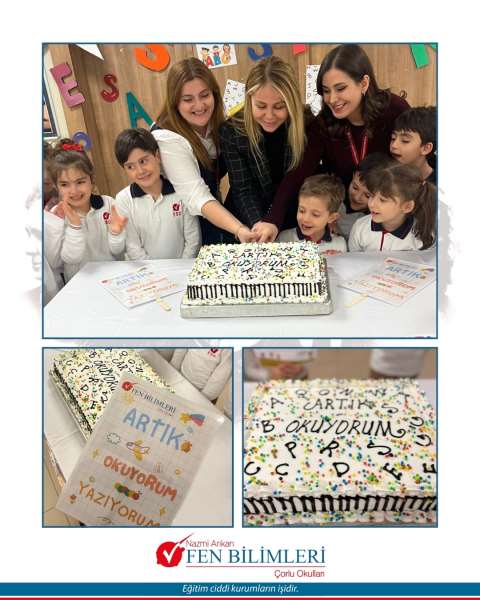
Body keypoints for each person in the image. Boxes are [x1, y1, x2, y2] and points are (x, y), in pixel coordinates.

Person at [255, 43, 410, 241]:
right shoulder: (322, 124)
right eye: (326, 91)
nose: (332, 99)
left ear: (364, 83)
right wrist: (272, 220)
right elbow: (298, 172)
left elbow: (416, 155)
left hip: (391, 212)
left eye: (340, 88)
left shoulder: (395, 110)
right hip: (345, 216)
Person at [151, 57, 256, 244]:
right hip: (180, 235)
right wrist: (239, 229)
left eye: (204, 95)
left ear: (214, 94)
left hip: (215, 224)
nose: (199, 105)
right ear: (175, 102)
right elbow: (196, 195)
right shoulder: (167, 138)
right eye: (188, 99)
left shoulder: (218, 123)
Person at [219, 55, 306, 242]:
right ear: (249, 99)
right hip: (247, 218)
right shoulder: (232, 130)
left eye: (279, 106)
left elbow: (297, 180)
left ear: (291, 103)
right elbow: (243, 188)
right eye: (261, 106)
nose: (269, 115)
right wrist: (258, 228)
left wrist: (275, 220)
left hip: (290, 216)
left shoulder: (307, 123)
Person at [44, 139, 127, 282]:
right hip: (79, 285)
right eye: (64, 184)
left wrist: (116, 233)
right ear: (56, 186)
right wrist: (74, 227)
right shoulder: (57, 216)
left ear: (91, 179)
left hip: (114, 279)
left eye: (80, 182)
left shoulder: (108, 204)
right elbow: (68, 260)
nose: (74, 191)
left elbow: (118, 251)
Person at [113, 128, 201, 260]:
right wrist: (154, 271)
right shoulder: (123, 199)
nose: (140, 171)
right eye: (130, 167)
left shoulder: (180, 191)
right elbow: (132, 247)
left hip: (183, 268)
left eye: (143, 161)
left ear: (157, 156)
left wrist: (181, 268)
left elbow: (193, 239)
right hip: (144, 271)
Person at [348, 162, 436, 252]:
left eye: (382, 200)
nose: (371, 204)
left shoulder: (424, 237)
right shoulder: (359, 228)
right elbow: (353, 259)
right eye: (371, 195)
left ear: (407, 206)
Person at [277, 174, 347, 254]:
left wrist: (337, 258)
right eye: (302, 211)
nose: (305, 219)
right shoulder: (285, 239)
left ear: (331, 218)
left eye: (315, 214)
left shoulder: (340, 245)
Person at [337, 152, 395, 239]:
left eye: (367, 195)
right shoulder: (335, 195)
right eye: (355, 187)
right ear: (353, 175)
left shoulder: (378, 223)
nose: (357, 197)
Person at [390, 106, 436, 183]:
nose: (394, 145)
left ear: (426, 148)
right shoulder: (386, 176)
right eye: (393, 138)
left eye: (405, 141)